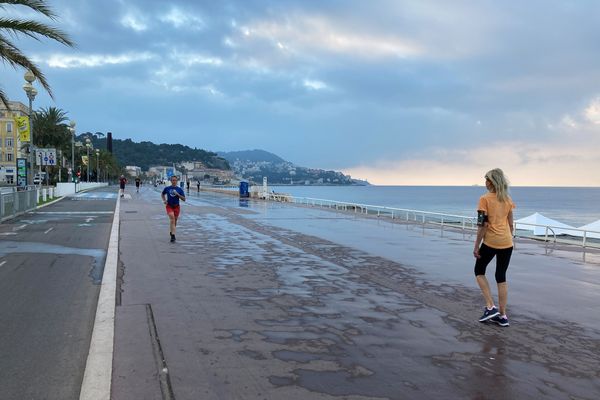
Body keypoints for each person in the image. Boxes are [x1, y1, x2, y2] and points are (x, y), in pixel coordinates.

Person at [473, 168, 515, 327]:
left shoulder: (484, 199)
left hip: (491, 242)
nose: (485, 182)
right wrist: (508, 238)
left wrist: (476, 245)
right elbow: (511, 224)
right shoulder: (508, 199)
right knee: (501, 276)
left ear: (491, 182)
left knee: (479, 270)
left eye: (486, 179)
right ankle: (503, 316)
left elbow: (482, 225)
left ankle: (490, 307)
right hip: (507, 243)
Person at [161, 175, 186, 242]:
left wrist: (178, 194)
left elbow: (184, 199)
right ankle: (173, 236)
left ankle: (172, 232)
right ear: (171, 181)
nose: (174, 181)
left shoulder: (179, 189)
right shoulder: (167, 188)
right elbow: (162, 194)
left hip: (177, 207)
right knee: (172, 218)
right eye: (173, 180)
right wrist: (164, 200)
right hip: (169, 206)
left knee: (174, 221)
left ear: (177, 181)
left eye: (175, 180)